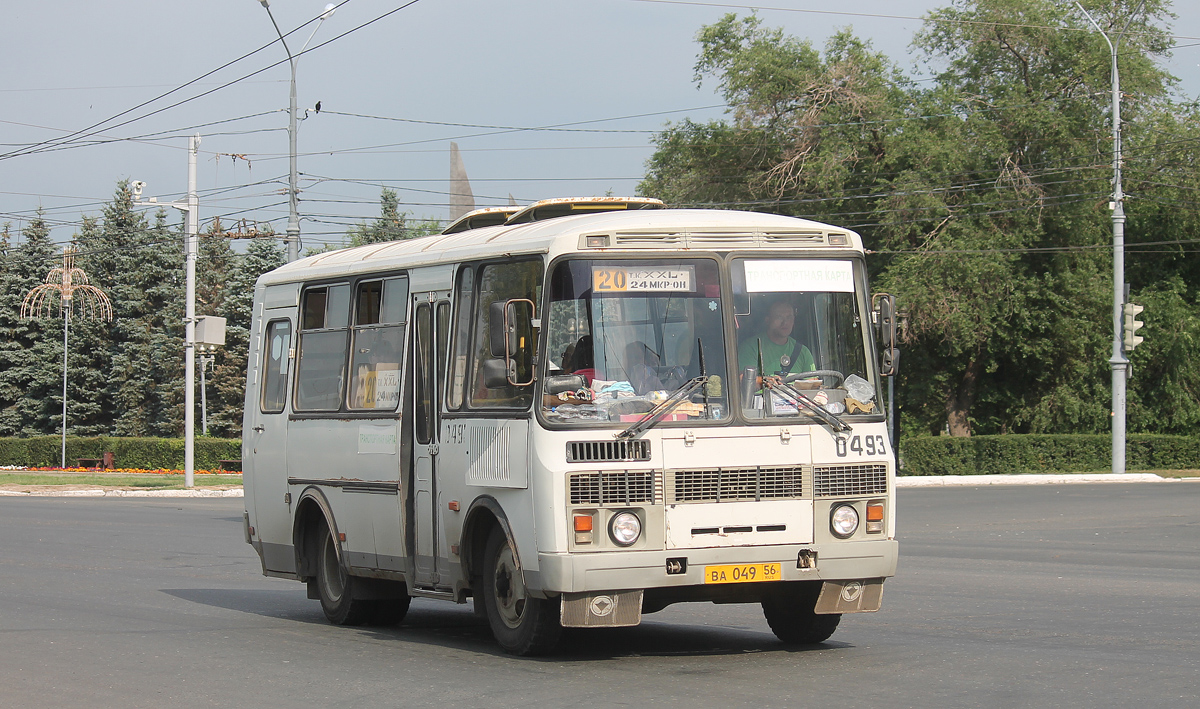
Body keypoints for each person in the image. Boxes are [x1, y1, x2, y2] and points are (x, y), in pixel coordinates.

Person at [737, 300, 815, 377]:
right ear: (767, 320)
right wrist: (764, 382)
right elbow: (742, 379)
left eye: (789, 317)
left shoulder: (803, 352)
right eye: (779, 317)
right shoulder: (751, 348)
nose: (785, 322)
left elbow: (812, 383)